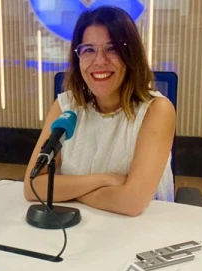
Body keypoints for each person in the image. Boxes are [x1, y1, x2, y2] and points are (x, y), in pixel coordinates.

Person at [24, 6, 176, 217]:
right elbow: (33, 186)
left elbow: (131, 203)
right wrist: (103, 180)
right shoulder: (66, 106)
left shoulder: (157, 110)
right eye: (88, 50)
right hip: (76, 226)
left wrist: (70, 192)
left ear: (131, 55)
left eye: (112, 48)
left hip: (141, 228)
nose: (99, 61)